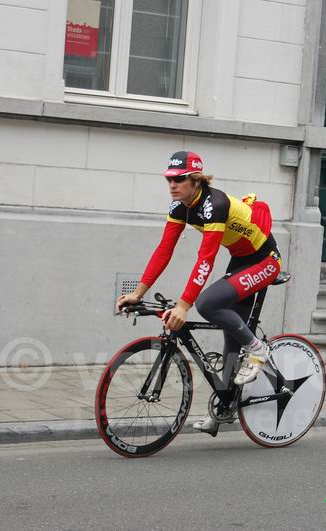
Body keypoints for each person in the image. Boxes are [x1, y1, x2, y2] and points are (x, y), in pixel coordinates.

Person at [116, 150, 282, 435]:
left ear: (196, 180)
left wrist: (184, 305)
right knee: (232, 337)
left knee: (206, 304)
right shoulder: (180, 205)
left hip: (265, 260)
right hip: (241, 261)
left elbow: (205, 259)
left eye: (179, 179)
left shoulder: (214, 204)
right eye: (169, 179)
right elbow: (164, 250)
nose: (172, 185)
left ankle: (258, 350)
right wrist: (139, 292)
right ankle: (225, 408)